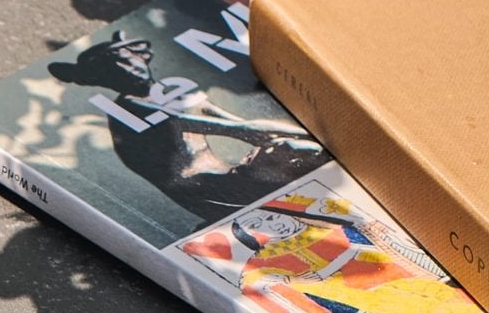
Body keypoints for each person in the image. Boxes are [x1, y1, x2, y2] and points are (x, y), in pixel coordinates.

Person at [47, 35, 323, 225]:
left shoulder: (175, 94)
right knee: (293, 153)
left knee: (300, 150)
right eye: (115, 67)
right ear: (103, 78)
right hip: (210, 192)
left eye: (128, 58)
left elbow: (239, 124)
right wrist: (258, 133)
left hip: (229, 177)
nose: (128, 68)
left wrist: (293, 134)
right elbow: (239, 128)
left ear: (142, 57)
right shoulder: (130, 110)